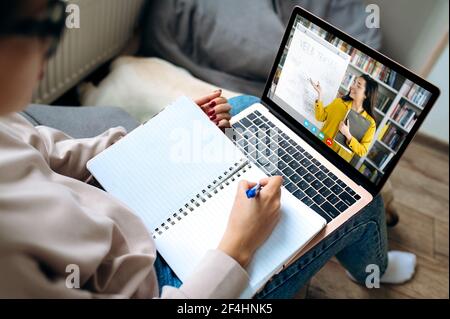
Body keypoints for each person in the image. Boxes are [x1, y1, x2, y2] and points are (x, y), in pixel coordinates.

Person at [0, 0, 416, 299]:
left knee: (246, 108)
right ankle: (371, 270)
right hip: (170, 287)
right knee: (361, 196)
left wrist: (165, 131)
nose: (47, 46)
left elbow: (61, 154)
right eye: (47, 23)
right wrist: (238, 244)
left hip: (122, 218)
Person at [310, 75, 378, 163]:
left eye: (358, 85)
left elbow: (362, 151)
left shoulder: (370, 123)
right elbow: (320, 116)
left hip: (338, 162)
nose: (352, 86)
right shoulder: (339, 103)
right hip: (318, 149)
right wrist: (320, 94)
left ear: (366, 95)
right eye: (354, 82)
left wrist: (348, 135)